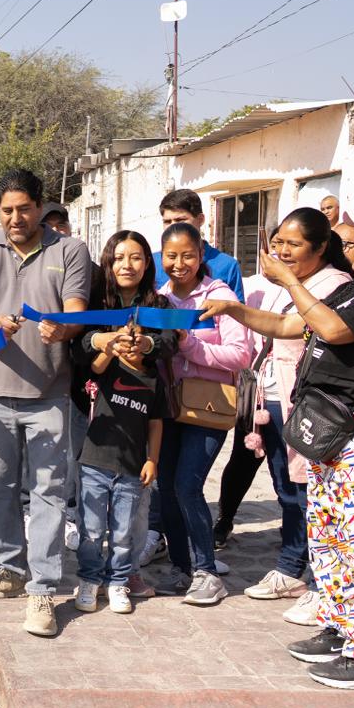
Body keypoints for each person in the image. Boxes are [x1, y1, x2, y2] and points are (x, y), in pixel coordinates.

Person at [201, 207, 354, 691]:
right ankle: (343, 628)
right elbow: (294, 328)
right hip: (336, 434)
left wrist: (287, 279)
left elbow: (331, 330)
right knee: (331, 536)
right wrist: (235, 311)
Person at [0, 169, 92, 638]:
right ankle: (10, 572)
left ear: (40, 206)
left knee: (49, 493)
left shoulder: (71, 249)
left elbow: (76, 312)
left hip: (50, 395)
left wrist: (63, 328)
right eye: (6, 210)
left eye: (24, 208)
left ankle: (43, 589)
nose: (15, 218)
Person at [224, 211, 352, 623]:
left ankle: (314, 577)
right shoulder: (281, 283)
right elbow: (270, 326)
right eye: (278, 242)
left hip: (308, 404)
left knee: (307, 491)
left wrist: (279, 284)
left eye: (293, 245)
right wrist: (232, 308)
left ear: (320, 248)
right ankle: (293, 566)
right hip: (273, 398)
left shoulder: (333, 284)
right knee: (286, 487)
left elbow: (289, 327)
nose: (281, 251)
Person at [138, 188, 246, 572]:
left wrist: (191, 345)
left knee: (187, 486)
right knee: (166, 490)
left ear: (202, 255)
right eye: (171, 256)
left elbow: (241, 354)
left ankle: (206, 569)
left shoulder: (219, 297)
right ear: (161, 257)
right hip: (166, 407)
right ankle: (183, 569)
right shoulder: (157, 299)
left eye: (188, 255)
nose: (179, 263)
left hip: (206, 406)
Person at [73, 231, 172, 615]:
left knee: (131, 517)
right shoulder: (98, 302)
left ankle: (123, 578)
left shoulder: (158, 304)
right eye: (118, 257)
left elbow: (170, 341)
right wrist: (104, 341)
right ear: (108, 263)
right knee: (92, 521)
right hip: (96, 418)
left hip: (141, 417)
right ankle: (90, 578)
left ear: (147, 263)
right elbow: (80, 349)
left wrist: (146, 345)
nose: (126, 265)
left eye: (135, 257)